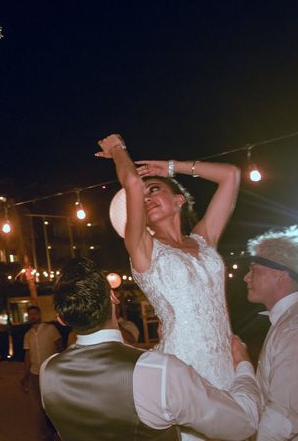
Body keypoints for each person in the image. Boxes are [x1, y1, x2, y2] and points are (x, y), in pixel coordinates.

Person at [96, 134, 240, 440]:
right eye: (143, 195)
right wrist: (118, 149)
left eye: (155, 190)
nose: (146, 197)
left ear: (179, 200)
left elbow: (231, 176)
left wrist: (171, 167)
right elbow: (132, 185)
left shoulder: (204, 239)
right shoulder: (143, 247)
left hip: (227, 365)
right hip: (183, 369)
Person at [40, 257, 261, 441]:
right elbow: (243, 423)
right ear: (113, 297)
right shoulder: (161, 371)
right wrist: (243, 364)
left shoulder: (48, 372)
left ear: (61, 319)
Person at [243, 226, 298, 440]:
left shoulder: (296, 329)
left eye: (254, 270)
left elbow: (284, 417)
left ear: (281, 276)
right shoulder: (287, 321)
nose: (246, 277)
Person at [20, 305, 61, 441]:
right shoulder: (27, 334)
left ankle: (58, 428)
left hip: (50, 371)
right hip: (35, 373)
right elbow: (27, 355)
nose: (32, 316)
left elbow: (60, 347)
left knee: (53, 401)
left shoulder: (51, 329)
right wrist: (25, 375)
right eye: (30, 314)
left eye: (35, 313)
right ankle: (49, 430)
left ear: (39, 314)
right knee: (41, 404)